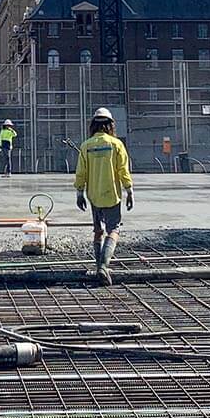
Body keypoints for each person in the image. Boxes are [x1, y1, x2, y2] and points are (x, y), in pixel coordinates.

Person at [74, 107, 134, 285]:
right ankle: (104, 266)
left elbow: (81, 172)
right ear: (110, 125)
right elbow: (123, 170)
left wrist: (80, 193)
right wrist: (129, 190)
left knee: (98, 231)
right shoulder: (116, 145)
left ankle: (99, 264)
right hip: (112, 196)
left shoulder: (86, 146)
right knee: (113, 230)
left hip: (94, 196)